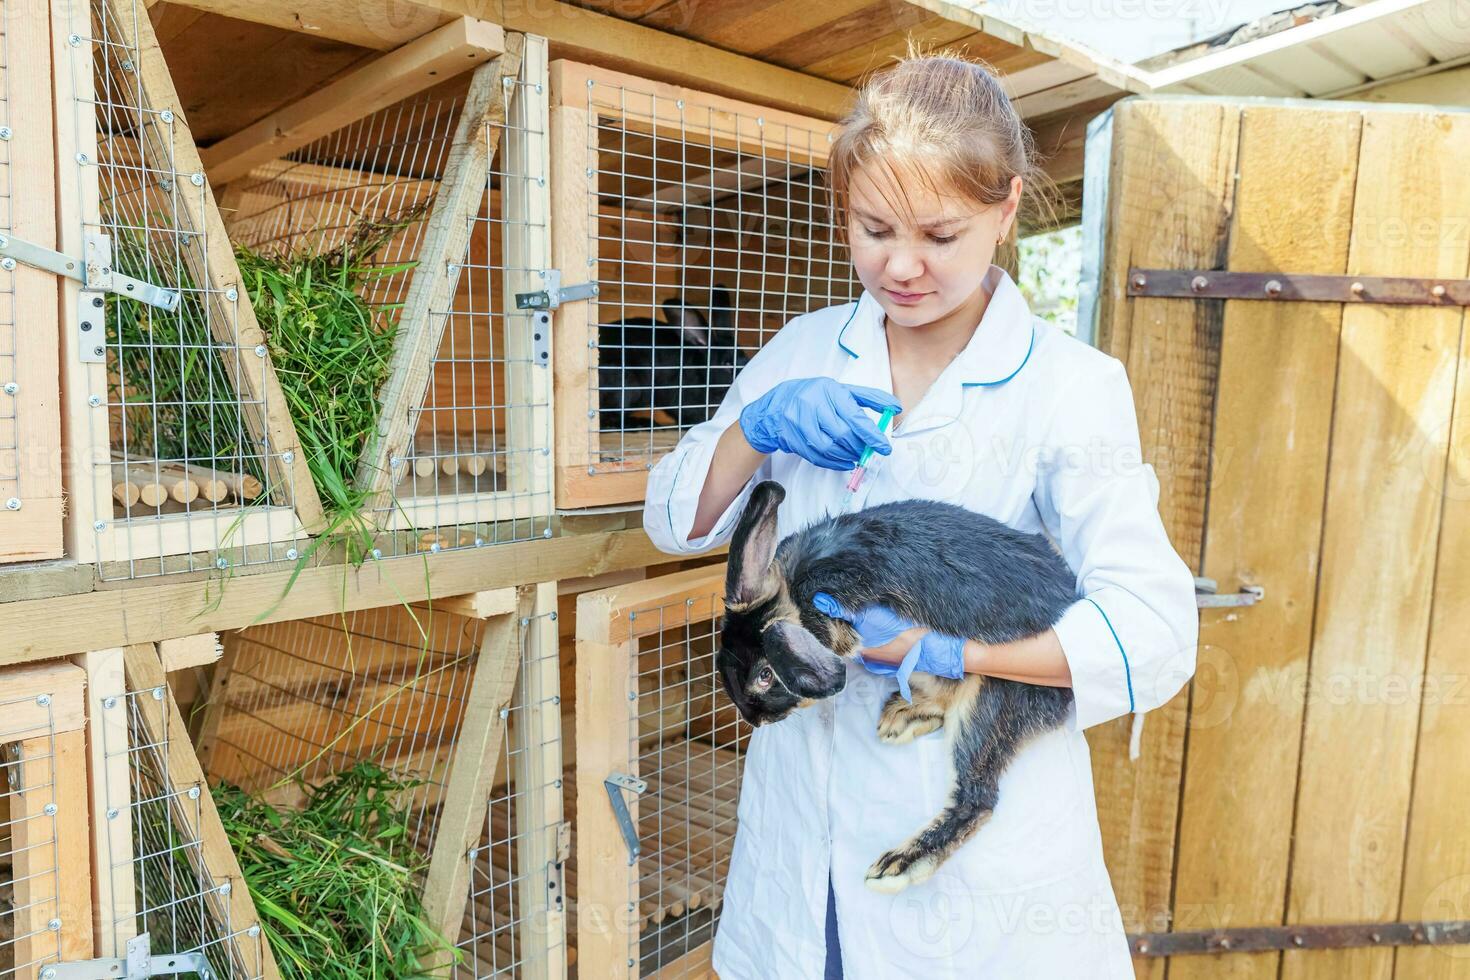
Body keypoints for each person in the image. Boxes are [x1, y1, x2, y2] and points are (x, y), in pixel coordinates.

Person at [642, 49, 1198, 979]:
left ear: (1008, 208)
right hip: (803, 843)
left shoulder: (1072, 388)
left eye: (940, 235)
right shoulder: (805, 348)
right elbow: (675, 518)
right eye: (871, 229)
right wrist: (755, 425)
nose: (899, 266)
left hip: (971, 876)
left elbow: (1152, 630)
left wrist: (950, 655)